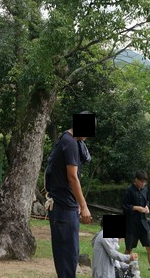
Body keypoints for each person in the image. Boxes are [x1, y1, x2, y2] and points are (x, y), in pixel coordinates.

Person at [45, 113, 94, 278]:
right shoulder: (71, 143)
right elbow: (72, 177)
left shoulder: (65, 139)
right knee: (67, 258)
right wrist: (84, 205)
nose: (88, 135)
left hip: (63, 207)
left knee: (68, 257)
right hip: (64, 208)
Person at [122, 170, 150, 271]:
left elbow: (147, 201)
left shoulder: (145, 189)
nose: (143, 184)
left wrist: (147, 207)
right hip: (131, 224)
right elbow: (124, 206)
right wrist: (136, 208)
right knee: (129, 249)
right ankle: (121, 270)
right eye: (141, 182)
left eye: (145, 182)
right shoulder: (129, 190)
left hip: (143, 223)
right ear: (136, 180)